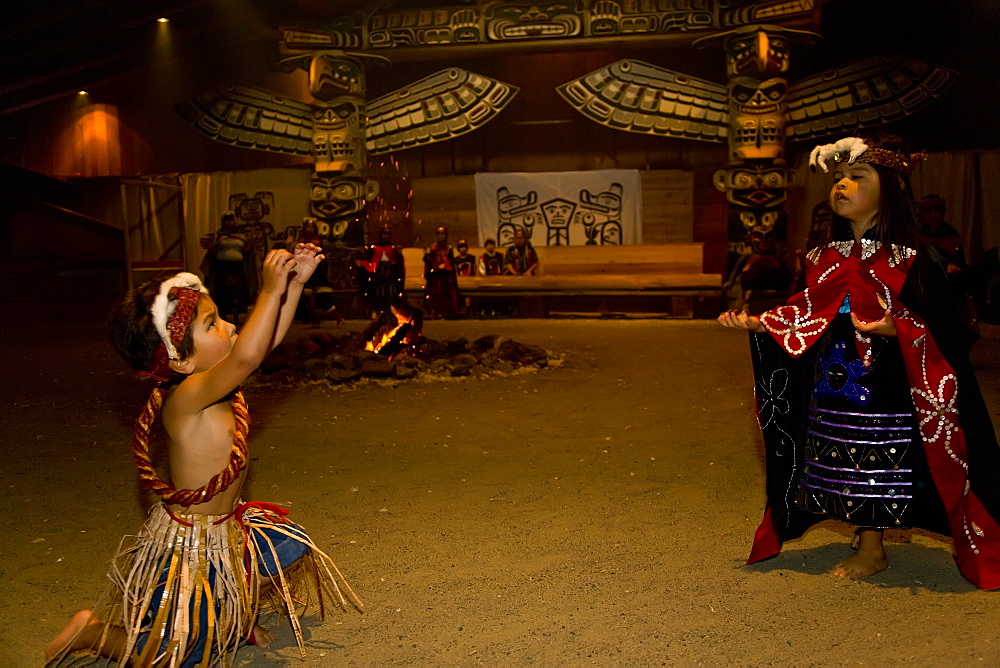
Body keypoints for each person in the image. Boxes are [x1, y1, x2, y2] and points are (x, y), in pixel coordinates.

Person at [46, 244, 363, 665]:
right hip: (193, 547)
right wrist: (269, 291)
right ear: (179, 361)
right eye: (213, 324)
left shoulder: (210, 384)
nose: (232, 326)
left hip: (229, 529)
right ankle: (92, 630)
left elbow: (261, 346)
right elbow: (249, 353)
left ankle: (232, 619)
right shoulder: (187, 398)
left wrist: (293, 285)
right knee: (170, 657)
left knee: (286, 545)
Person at [719, 132, 1000, 589]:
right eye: (838, 178)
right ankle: (863, 528)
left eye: (856, 176)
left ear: (889, 191)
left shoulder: (913, 258)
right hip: (834, 376)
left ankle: (874, 547)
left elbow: (949, 326)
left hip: (889, 381)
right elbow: (808, 308)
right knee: (840, 452)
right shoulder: (821, 257)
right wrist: (765, 324)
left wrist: (901, 327)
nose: (841, 185)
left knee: (877, 455)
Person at [201, 211, 255, 324]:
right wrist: (221, 239)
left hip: (237, 266)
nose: (230, 223)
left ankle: (237, 314)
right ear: (224, 223)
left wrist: (235, 237)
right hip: (223, 266)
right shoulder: (219, 235)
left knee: (237, 292)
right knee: (223, 292)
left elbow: (247, 249)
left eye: (232, 220)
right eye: (227, 220)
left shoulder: (240, 235)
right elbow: (213, 250)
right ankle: (223, 314)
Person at [357, 225, 405, 318]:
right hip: (378, 274)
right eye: (384, 234)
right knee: (378, 293)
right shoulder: (374, 248)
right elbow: (370, 261)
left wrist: (398, 254)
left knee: (391, 292)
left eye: (387, 234)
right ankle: (378, 311)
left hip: (391, 275)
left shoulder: (393, 247)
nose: (385, 236)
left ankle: (392, 311)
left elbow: (398, 262)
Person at [422, 225, 460, 318]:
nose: (440, 236)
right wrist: (426, 256)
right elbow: (431, 262)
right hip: (435, 276)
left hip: (445, 276)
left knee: (445, 294)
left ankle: (445, 312)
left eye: (442, 233)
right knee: (434, 293)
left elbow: (450, 262)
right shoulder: (433, 247)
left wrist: (446, 268)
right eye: (438, 233)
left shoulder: (448, 248)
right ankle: (434, 311)